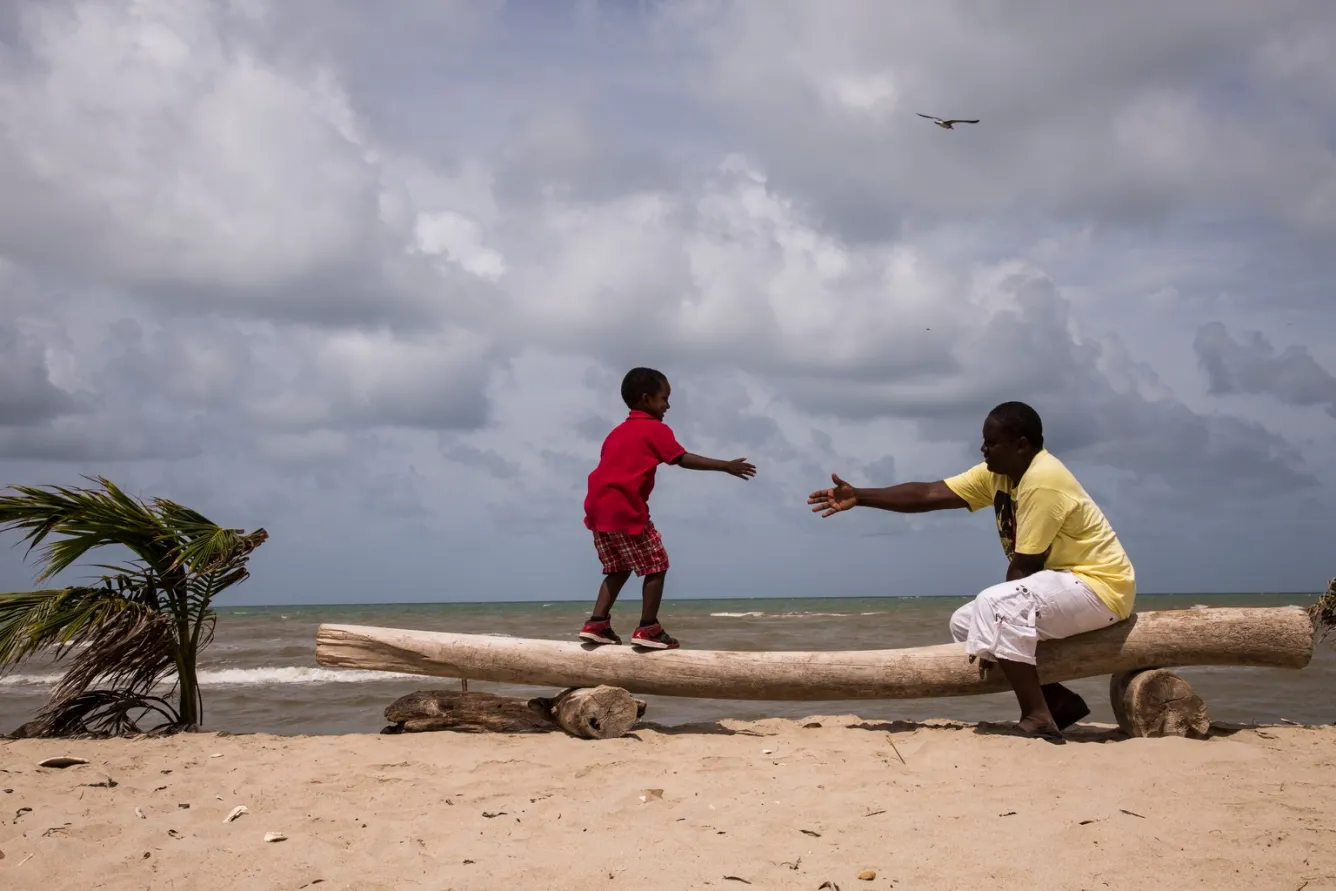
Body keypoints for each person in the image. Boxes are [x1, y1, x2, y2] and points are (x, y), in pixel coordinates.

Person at [807, 401, 1135, 743]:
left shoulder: (1043, 480)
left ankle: (1037, 718)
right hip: (1063, 584)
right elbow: (929, 493)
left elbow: (1024, 567)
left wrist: (996, 626)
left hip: (1100, 587)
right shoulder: (999, 475)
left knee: (994, 606)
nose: (983, 449)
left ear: (1021, 445)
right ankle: (1056, 701)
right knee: (964, 623)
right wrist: (860, 496)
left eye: (991, 443)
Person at [580, 367, 757, 650]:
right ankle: (648, 628)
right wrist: (725, 466)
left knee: (618, 568)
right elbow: (681, 458)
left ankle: (597, 623)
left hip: (597, 507)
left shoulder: (616, 432)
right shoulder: (654, 429)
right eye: (664, 398)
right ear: (647, 399)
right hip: (624, 507)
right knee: (657, 565)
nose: (668, 406)